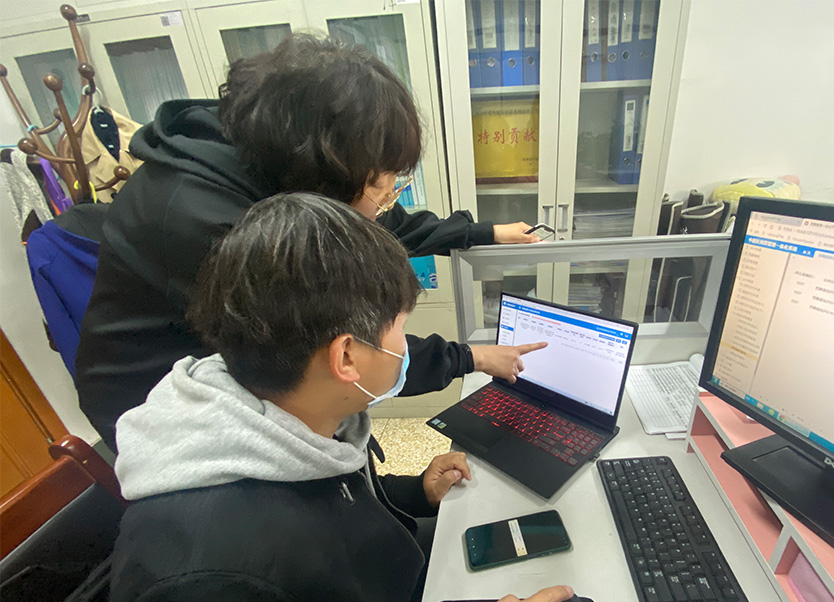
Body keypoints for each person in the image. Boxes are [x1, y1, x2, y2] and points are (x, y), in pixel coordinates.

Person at [80, 193, 598, 602]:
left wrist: (410, 492)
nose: (406, 346)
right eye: (400, 329)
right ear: (346, 357)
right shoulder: (208, 582)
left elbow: (319, 507)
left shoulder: (284, 413)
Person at [75, 33, 543, 450]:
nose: (383, 203)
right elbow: (350, 350)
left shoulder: (269, 149)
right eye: (378, 187)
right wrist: (470, 357)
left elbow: (369, 217)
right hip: (162, 415)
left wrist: (483, 233)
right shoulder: (218, 228)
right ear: (326, 170)